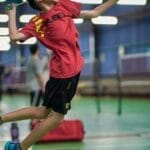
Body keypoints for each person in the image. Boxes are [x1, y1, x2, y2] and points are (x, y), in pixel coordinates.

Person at [1, 0, 118, 149]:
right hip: (65, 72)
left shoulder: (64, 6)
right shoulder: (38, 21)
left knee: (43, 112)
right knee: (57, 118)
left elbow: (95, 13)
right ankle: (20, 147)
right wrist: (11, 14)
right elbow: (15, 36)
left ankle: (2, 119)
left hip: (66, 71)